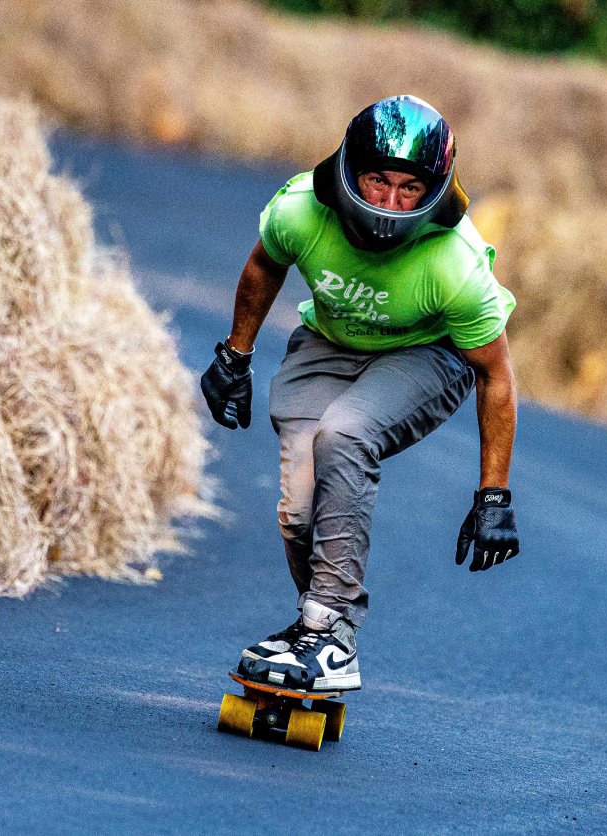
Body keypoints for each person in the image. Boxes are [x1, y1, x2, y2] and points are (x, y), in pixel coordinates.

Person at [200, 95, 521, 694]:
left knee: (345, 433)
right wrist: (234, 356)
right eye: (377, 180)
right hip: (326, 342)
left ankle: (329, 632)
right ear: (350, 170)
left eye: (408, 188)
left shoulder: (455, 264)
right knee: (299, 510)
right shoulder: (301, 211)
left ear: (435, 192)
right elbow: (263, 266)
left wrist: (493, 495)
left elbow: (495, 374)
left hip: (427, 355)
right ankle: (321, 627)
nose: (390, 203)